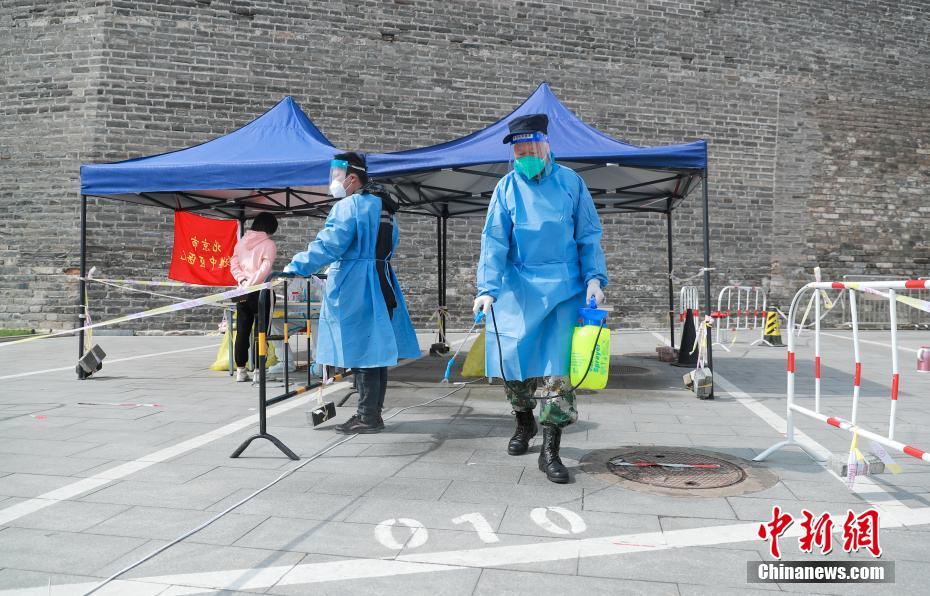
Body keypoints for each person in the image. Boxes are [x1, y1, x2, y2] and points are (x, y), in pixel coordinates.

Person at [474, 114, 608, 484]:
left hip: (564, 289)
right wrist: (487, 289)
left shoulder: (571, 183)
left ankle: (551, 450)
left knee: (556, 372)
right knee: (513, 365)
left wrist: (594, 278)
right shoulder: (506, 187)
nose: (526, 157)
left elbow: (588, 234)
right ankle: (524, 422)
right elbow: (494, 240)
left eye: (531, 150)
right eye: (519, 152)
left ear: (546, 146)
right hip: (517, 290)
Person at [284, 152, 420, 433]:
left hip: (356, 283)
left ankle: (367, 416)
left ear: (352, 178)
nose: (333, 181)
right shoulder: (385, 207)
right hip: (382, 280)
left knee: (364, 350)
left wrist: (295, 266)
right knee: (376, 351)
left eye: (336, 175)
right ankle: (372, 413)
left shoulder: (350, 205)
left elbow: (330, 244)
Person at [230, 212, 278, 382]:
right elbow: (265, 268)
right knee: (261, 331)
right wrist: (252, 283)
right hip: (261, 291)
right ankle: (258, 371)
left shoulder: (241, 242)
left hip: (242, 291)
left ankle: (241, 370)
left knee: (242, 331)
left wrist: (243, 281)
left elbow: (233, 264)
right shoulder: (269, 244)